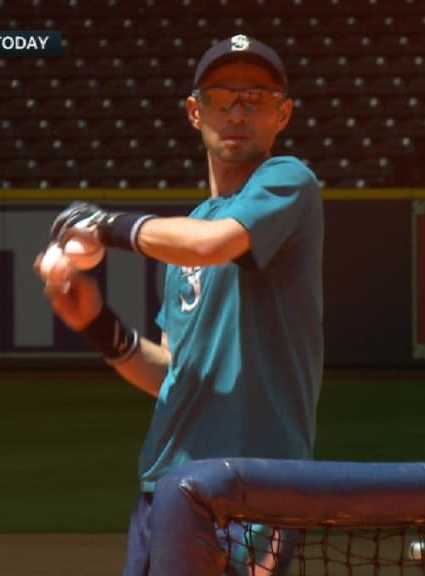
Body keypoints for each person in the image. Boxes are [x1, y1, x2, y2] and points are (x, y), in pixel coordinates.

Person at [35, 34, 323, 575]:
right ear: (195, 112)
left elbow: (214, 245)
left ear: (282, 113)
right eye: (221, 96)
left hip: (255, 485)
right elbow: (173, 373)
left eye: (256, 97)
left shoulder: (288, 182)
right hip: (168, 485)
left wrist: (103, 225)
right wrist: (96, 323)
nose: (238, 110)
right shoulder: (188, 228)